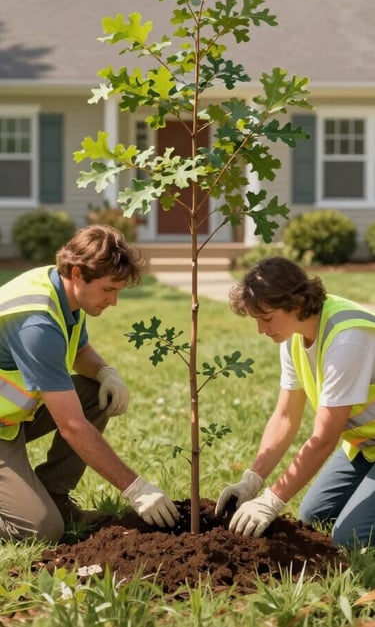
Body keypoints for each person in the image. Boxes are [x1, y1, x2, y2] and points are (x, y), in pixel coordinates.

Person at [0, 224, 179, 542]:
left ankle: (55, 495)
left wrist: (106, 373)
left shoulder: (65, 292)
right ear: (79, 274)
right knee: (41, 529)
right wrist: (135, 488)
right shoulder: (37, 323)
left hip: (9, 419)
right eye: (109, 289)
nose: (114, 301)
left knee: (96, 393)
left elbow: (80, 350)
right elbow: (71, 426)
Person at [215, 256, 375, 548]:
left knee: (350, 539)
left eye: (266, 318)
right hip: (364, 445)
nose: (261, 330)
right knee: (314, 515)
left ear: (297, 304)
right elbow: (286, 416)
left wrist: (272, 500)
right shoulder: (294, 335)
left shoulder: (347, 339)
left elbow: (324, 438)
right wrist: (253, 480)